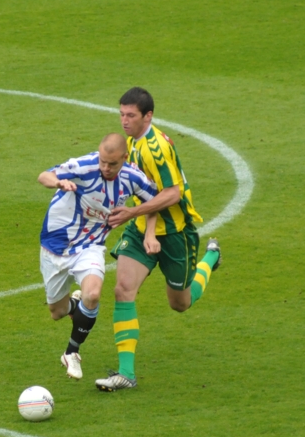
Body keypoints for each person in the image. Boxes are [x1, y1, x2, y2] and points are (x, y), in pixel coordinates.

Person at [95, 87, 223, 392]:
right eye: (121, 114)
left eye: (131, 115)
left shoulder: (157, 148)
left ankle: (211, 258)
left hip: (178, 234)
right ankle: (126, 373)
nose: (124, 121)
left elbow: (171, 194)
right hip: (141, 229)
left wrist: (131, 213)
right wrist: (145, 228)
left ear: (147, 116)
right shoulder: (131, 143)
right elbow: (145, 189)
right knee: (123, 289)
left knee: (180, 303)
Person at [37, 133, 177, 380]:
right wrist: (60, 183)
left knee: (93, 294)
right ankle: (74, 307)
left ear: (124, 158)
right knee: (57, 312)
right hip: (55, 246)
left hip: (90, 246)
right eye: (103, 161)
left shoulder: (132, 177)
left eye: (112, 163)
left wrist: (150, 235)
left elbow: (154, 202)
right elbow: (44, 176)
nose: (106, 167)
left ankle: (72, 352)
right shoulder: (84, 166)